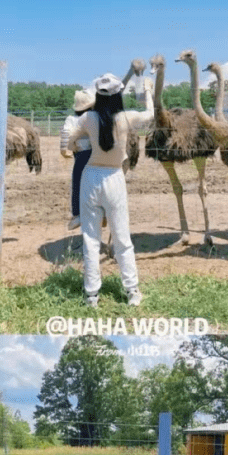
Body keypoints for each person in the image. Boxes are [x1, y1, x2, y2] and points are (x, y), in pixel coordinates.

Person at [67, 73, 154, 307]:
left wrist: (73, 145)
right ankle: (132, 290)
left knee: (91, 239)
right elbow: (150, 115)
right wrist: (147, 92)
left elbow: (70, 138)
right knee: (122, 237)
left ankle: (92, 295)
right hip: (114, 178)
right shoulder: (126, 118)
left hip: (91, 177)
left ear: (98, 95)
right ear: (118, 96)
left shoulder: (87, 118)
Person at [60, 89, 95, 231]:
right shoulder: (95, 117)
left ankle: (77, 214)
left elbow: (65, 133)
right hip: (97, 154)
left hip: (81, 154)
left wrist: (64, 150)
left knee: (77, 183)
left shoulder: (72, 119)